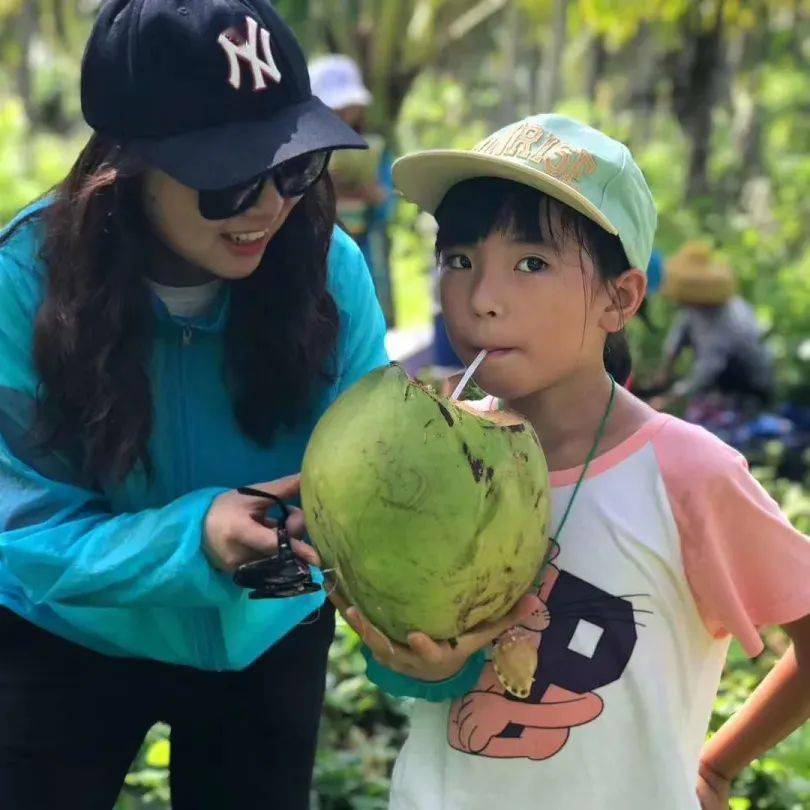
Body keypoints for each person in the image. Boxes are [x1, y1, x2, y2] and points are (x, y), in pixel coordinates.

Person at [332, 115, 810, 809]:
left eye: (531, 264)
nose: (481, 299)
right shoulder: (429, 459)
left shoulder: (687, 474)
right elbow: (416, 668)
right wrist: (425, 666)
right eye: (459, 260)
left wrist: (717, 766)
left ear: (620, 298)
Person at [0, 2, 388, 808]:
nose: (270, 208)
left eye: (293, 165)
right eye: (231, 178)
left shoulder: (330, 273)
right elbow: (18, 527)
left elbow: (370, 476)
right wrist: (194, 536)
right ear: (128, 165)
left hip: (269, 630)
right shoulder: (22, 285)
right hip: (71, 632)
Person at [309, 54, 397, 326]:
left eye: (349, 107)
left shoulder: (376, 152)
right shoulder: (303, 155)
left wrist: (376, 196)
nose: (344, 115)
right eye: (336, 107)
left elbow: (388, 207)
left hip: (366, 252)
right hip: (315, 260)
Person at [651, 240, 775, 413]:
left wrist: (668, 398)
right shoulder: (694, 310)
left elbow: (709, 367)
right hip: (719, 382)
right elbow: (677, 339)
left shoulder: (727, 318)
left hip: (745, 387)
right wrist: (664, 372)